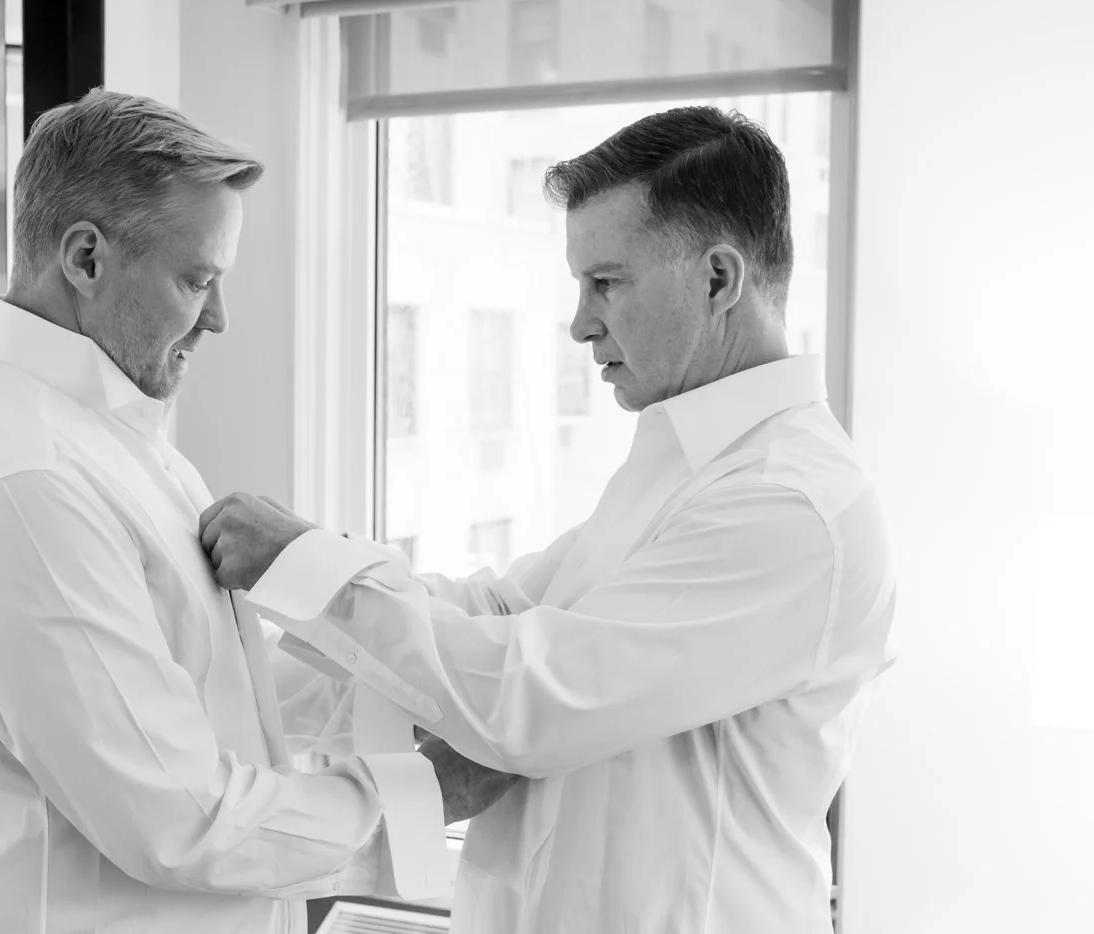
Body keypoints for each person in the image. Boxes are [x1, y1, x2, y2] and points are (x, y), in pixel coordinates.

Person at [200, 106, 898, 932]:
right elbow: (497, 611)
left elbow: (533, 696)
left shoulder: (791, 505)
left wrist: (306, 568)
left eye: (606, 282)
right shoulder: (686, 465)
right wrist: (225, 678)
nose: (580, 323)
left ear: (718, 279)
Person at [0, 90, 454, 934]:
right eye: (197, 280)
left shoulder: (117, 442)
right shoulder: (23, 485)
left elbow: (204, 691)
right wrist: (426, 794)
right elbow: (179, 819)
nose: (218, 318)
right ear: (86, 258)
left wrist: (432, 664)